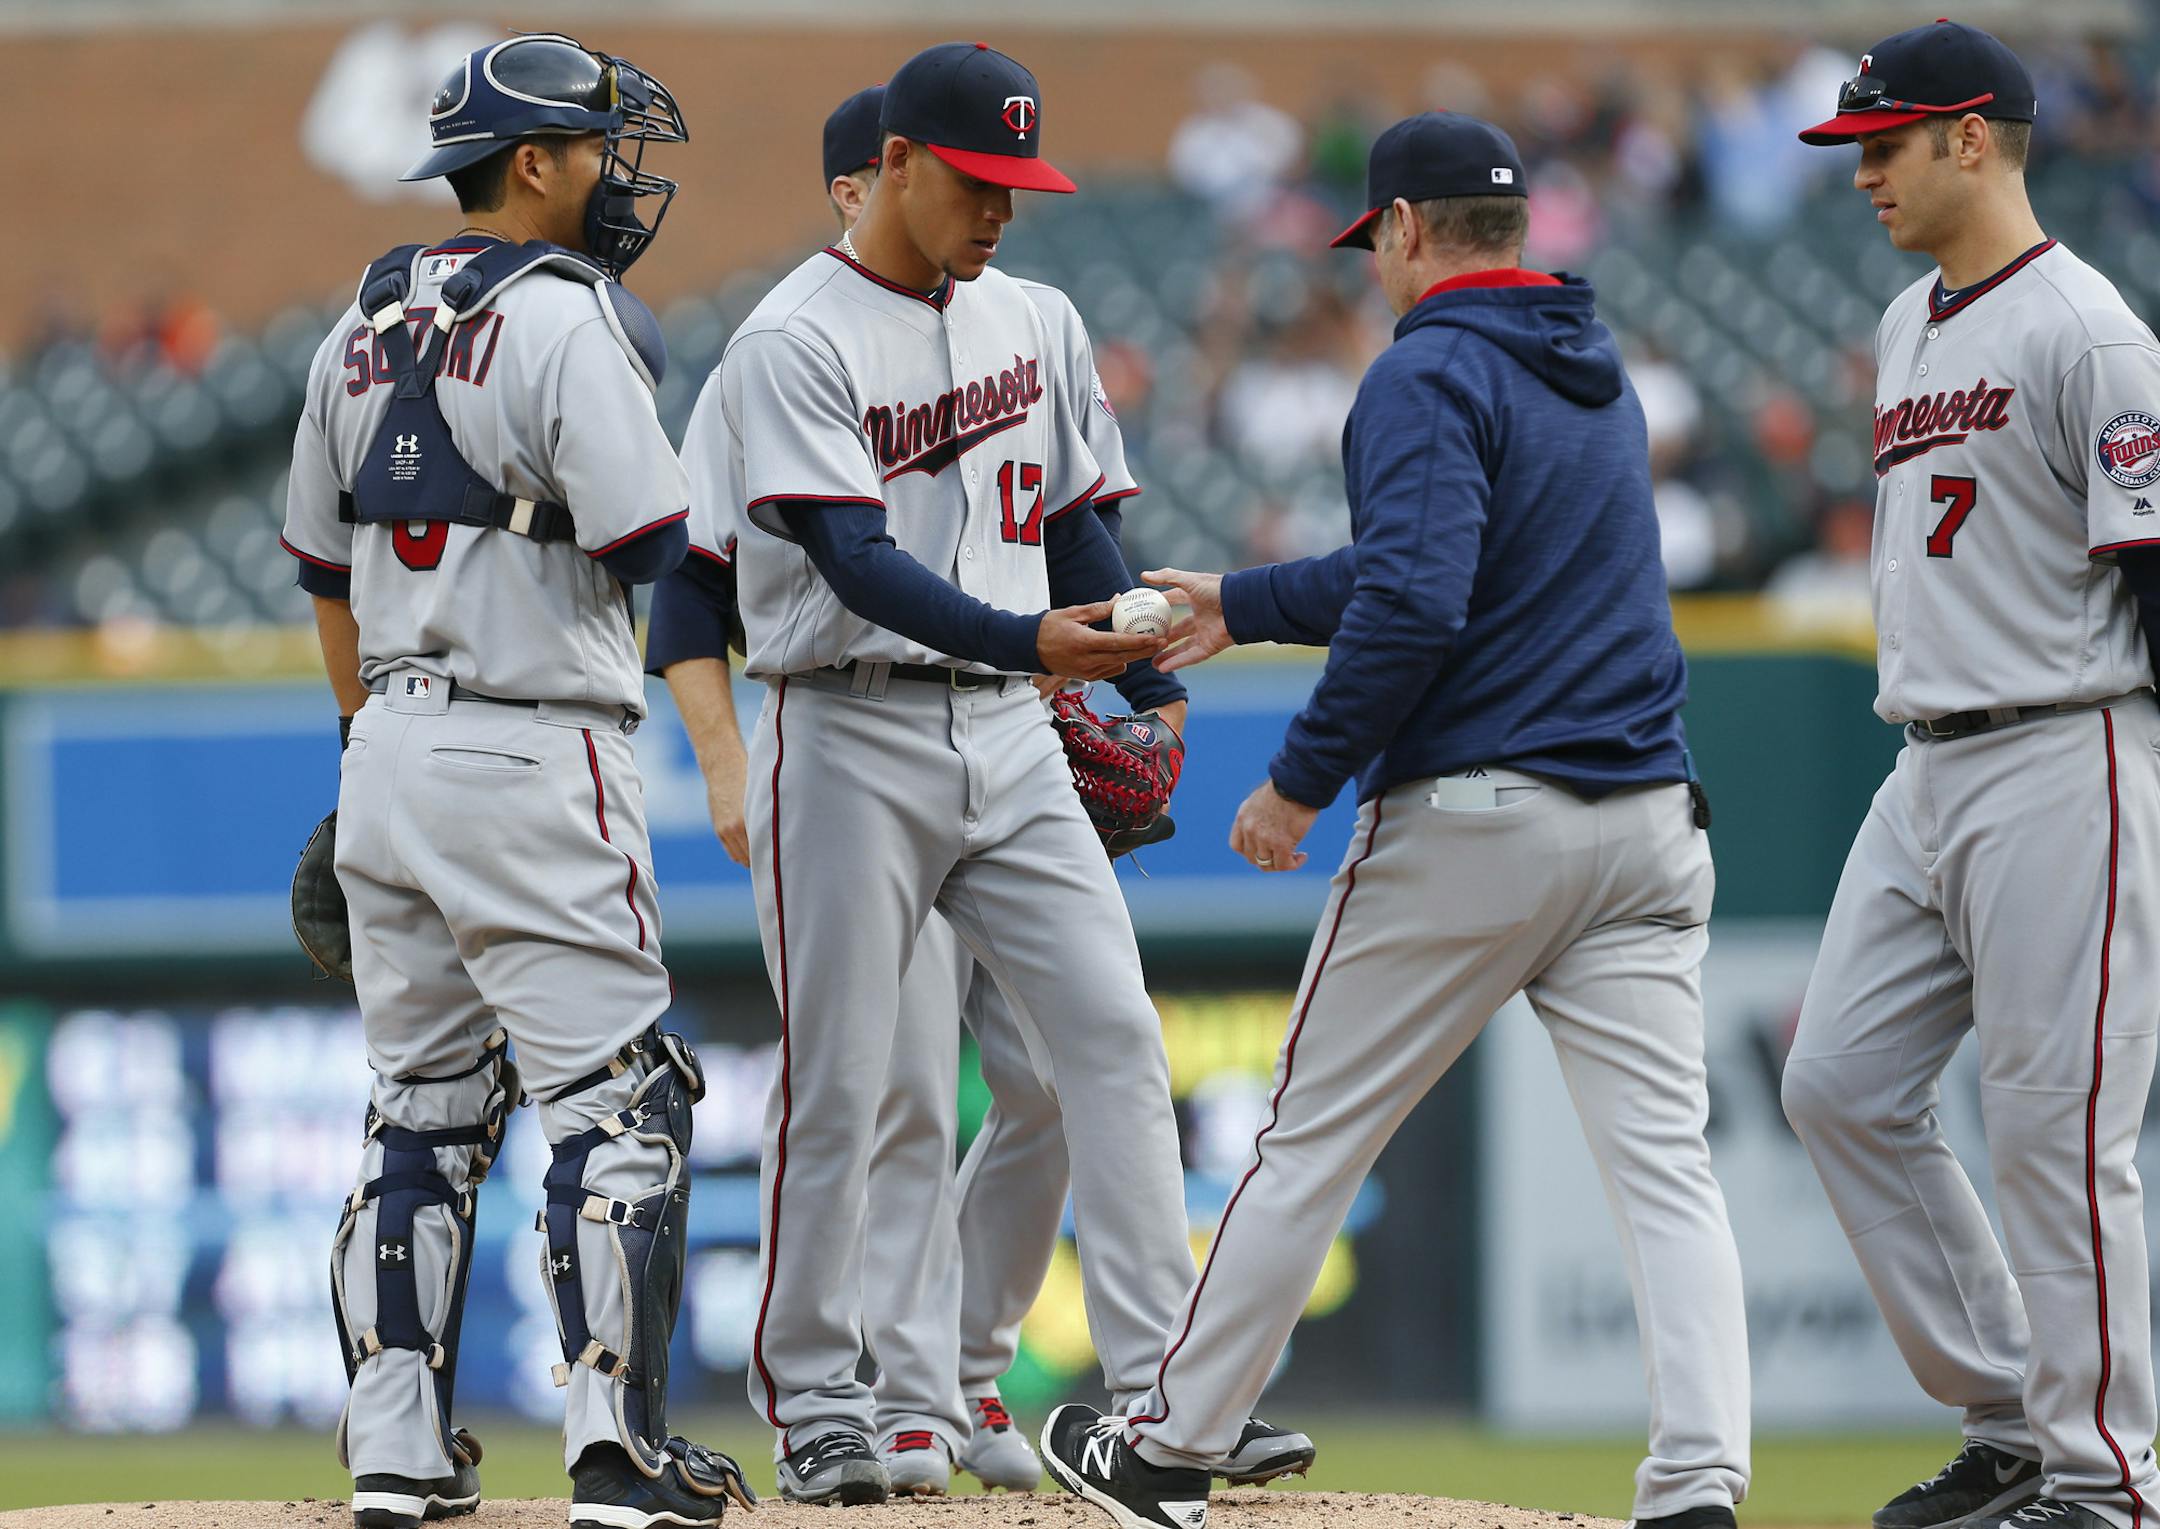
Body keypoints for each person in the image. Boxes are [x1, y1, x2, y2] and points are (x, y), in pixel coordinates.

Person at [1038, 111, 1751, 1529]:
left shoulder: (1424, 367)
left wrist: (1299, 777)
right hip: (1650, 820)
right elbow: (1431, 559)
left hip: (1482, 817)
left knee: (1307, 1137)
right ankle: (1699, 1487)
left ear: (1409, 230)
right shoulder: (1595, 369)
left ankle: (1172, 1442)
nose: (1375, 267)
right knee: (1669, 1173)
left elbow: (1420, 598)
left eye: (1378, 243)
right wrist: (1238, 603)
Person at [647, 80, 1314, 1501]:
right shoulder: (791, 342)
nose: (1001, 210)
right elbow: (852, 559)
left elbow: (1076, 524)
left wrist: (1148, 676)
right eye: (973, 182)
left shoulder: (1038, 319)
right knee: (840, 1082)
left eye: (1017, 184)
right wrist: (1032, 641)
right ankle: (821, 1396)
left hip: (1014, 730)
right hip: (845, 725)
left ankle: (1161, 1395)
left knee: (1114, 1039)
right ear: (890, 166)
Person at [281, 33, 752, 1529]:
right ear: (533, 164)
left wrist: (364, 753)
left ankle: (395, 1451)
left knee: (417, 1110)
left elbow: (321, 572)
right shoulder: (568, 321)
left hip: (391, 746)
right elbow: (654, 546)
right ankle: (615, 1448)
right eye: (602, 150)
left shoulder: (349, 325)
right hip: (537, 739)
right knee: (622, 1101)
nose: (621, 177)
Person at [1782, 23, 2160, 1529]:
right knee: (1838, 1084)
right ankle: (2011, 1414)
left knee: (2059, 1135)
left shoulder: (2093, 330)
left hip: (2068, 743)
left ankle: (2111, 1482)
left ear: (1974, 139)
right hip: (1922, 761)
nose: (1865, 168)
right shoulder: (1905, 321)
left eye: (1887, 140)